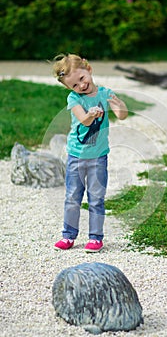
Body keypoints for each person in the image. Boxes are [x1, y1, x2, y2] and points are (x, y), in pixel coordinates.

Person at [52, 53, 128, 252]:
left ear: (89, 69)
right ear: (70, 89)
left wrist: (122, 107)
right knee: (72, 196)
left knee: (96, 197)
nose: (81, 86)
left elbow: (121, 115)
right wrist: (91, 114)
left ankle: (95, 237)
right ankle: (68, 235)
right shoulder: (73, 98)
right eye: (75, 85)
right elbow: (84, 120)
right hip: (76, 156)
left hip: (98, 156)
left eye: (82, 79)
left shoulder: (105, 93)